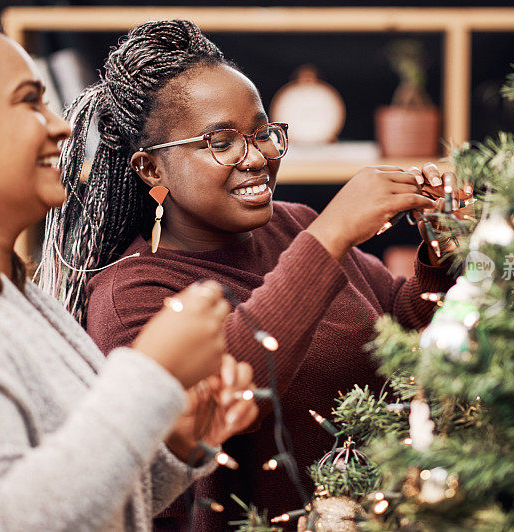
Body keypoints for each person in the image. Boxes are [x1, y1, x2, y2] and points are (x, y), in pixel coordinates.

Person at [40, 19, 468, 530]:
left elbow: (402, 321)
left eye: (263, 133)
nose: (259, 157)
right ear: (152, 169)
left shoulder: (295, 224)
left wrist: (441, 254)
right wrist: (331, 236)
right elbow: (226, 390)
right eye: (222, 141)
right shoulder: (130, 295)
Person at [0, 2, 258, 530]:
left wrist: (176, 443)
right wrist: (149, 375)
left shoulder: (10, 295)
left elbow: (77, 500)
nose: (60, 128)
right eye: (29, 102)